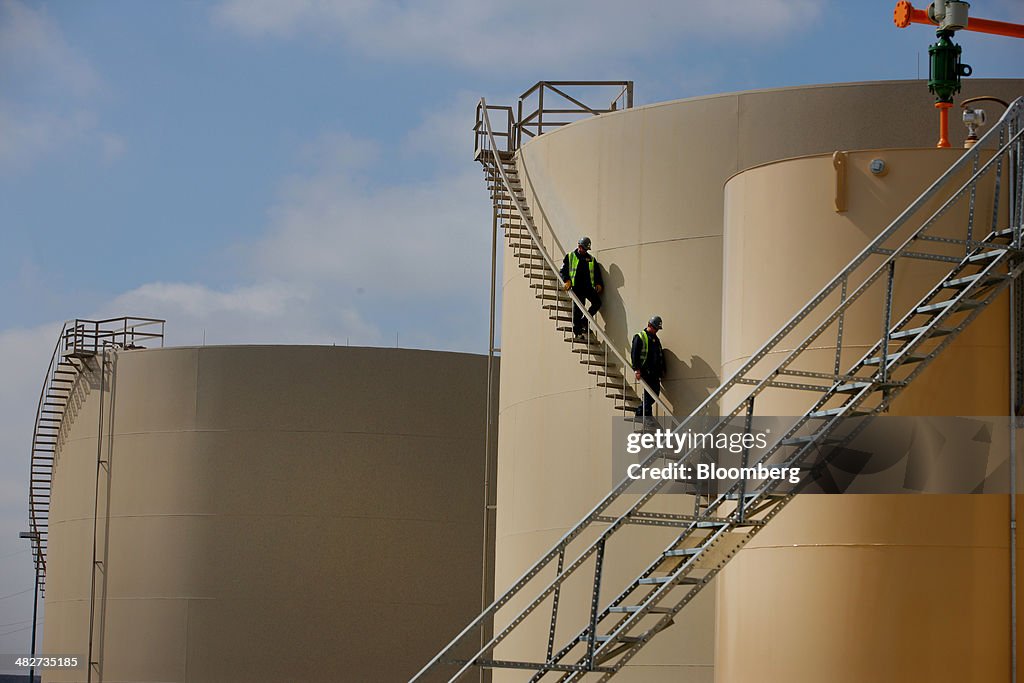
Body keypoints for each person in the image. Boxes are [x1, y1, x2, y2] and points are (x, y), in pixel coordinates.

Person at [559, 236, 604, 339]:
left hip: (588, 287)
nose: (584, 251)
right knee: (578, 309)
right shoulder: (570, 256)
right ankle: (577, 331)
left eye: (586, 249)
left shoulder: (591, 259)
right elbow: (563, 271)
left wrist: (599, 284)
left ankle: (585, 321)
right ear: (579, 246)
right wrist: (567, 281)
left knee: (597, 303)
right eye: (583, 248)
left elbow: (597, 273)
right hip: (576, 287)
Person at [631, 315, 666, 417]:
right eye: (655, 328)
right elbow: (635, 354)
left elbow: (660, 354)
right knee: (650, 395)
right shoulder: (640, 337)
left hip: (655, 372)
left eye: (657, 329)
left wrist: (663, 369)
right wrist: (636, 370)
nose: (656, 331)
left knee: (654, 394)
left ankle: (646, 416)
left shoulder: (655, 339)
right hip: (645, 371)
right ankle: (640, 413)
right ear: (649, 325)